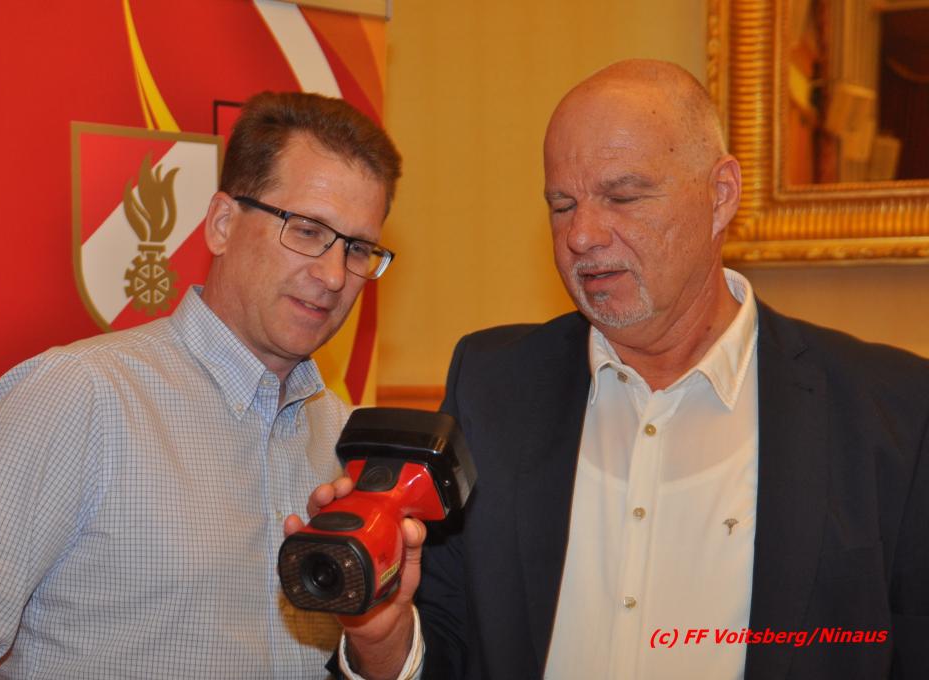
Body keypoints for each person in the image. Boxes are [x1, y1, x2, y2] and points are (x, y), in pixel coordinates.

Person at [308, 59, 929, 679]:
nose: (581, 236)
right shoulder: (493, 387)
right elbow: (446, 642)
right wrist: (383, 641)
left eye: (622, 197)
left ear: (720, 196)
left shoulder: (891, 411)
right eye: (561, 205)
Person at [0, 91, 401, 678]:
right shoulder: (79, 395)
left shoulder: (340, 434)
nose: (334, 275)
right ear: (221, 224)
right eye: (308, 230)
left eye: (358, 248)